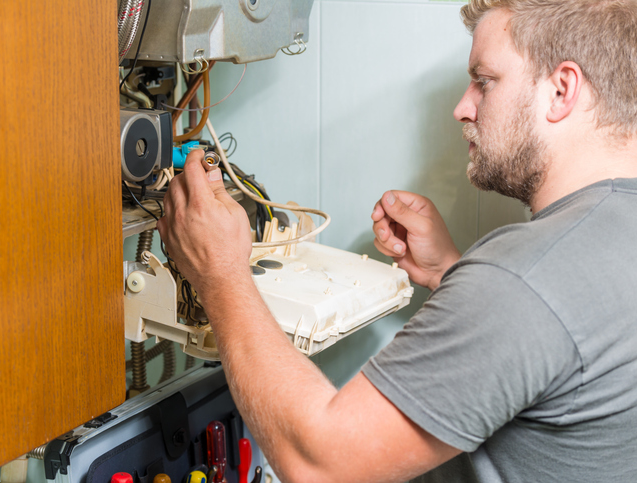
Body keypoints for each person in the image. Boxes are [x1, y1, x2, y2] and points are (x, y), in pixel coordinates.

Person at [158, 0, 637, 481]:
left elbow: (318, 464)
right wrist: (450, 272)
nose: (462, 107)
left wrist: (219, 272)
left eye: (484, 82)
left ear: (561, 90)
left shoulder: (522, 281)